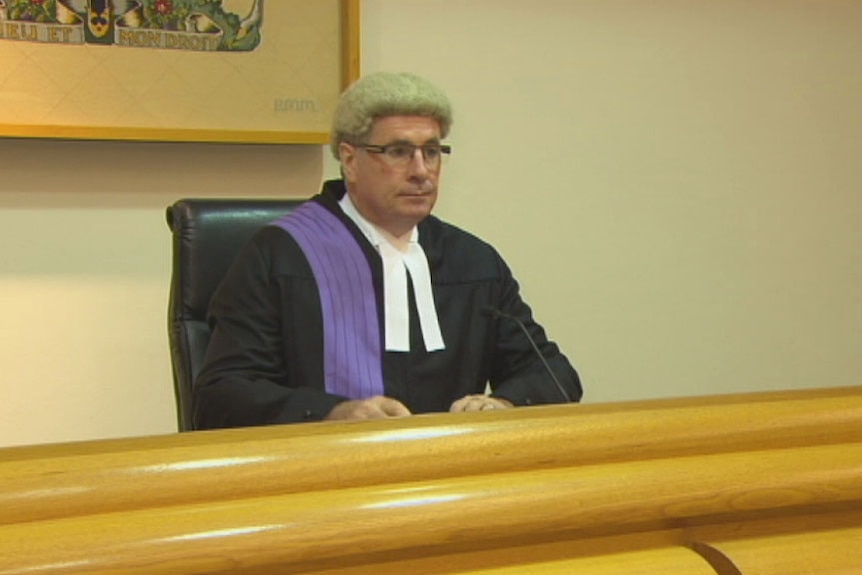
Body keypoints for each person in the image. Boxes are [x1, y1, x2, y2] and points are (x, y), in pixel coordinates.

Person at [193, 71, 581, 428]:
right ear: (350, 159)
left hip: (452, 478)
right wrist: (333, 412)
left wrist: (505, 403)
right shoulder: (281, 257)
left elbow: (554, 374)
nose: (420, 170)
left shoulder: (473, 262)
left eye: (431, 152)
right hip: (326, 481)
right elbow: (222, 395)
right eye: (398, 151)